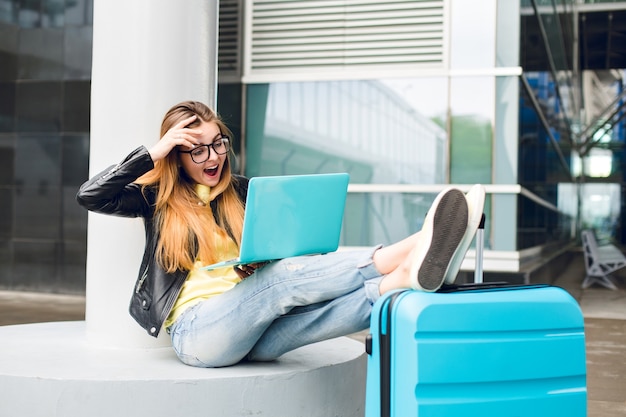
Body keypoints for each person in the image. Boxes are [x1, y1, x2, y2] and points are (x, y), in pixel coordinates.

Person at [76, 100, 485, 368]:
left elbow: (276, 259)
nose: (213, 156)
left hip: (255, 328)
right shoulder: (156, 198)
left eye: (218, 144)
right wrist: (153, 151)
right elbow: (91, 195)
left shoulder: (244, 191)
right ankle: (413, 246)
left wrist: (260, 262)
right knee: (281, 281)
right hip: (200, 333)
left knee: (314, 315)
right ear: (177, 155)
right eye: (197, 149)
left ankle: (399, 281)